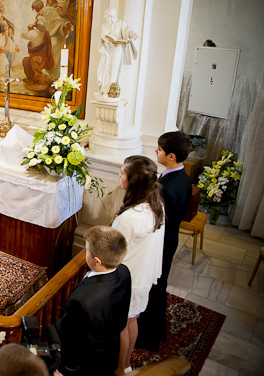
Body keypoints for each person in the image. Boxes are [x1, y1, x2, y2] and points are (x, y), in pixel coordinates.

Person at [137, 131, 192, 351]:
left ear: (171, 156)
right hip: (169, 238)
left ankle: (148, 337)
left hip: (161, 242)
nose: (155, 151)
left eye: (159, 149)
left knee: (154, 287)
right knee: (158, 286)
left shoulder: (170, 186)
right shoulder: (180, 176)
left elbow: (158, 219)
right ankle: (156, 329)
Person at [111, 155, 164, 375]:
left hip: (126, 280)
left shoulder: (129, 218)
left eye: (122, 173)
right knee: (131, 320)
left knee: (121, 325)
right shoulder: (157, 206)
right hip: (142, 276)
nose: (119, 175)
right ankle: (126, 363)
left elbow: (113, 252)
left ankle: (119, 368)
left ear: (132, 181)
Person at [54, 226, 131, 376]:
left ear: (97, 261)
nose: (85, 252)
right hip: (110, 352)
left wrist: (66, 369)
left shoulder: (81, 302)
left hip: (87, 362)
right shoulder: (124, 271)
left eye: (87, 250)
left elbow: (72, 343)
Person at [96, 9, 138, 96]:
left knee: (113, 69)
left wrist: (132, 34)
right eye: (108, 17)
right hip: (108, 50)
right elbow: (104, 36)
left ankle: (110, 90)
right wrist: (109, 41)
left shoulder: (121, 23)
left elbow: (127, 31)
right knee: (105, 68)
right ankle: (104, 89)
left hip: (117, 50)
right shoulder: (105, 25)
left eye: (110, 16)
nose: (109, 19)